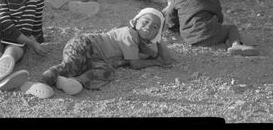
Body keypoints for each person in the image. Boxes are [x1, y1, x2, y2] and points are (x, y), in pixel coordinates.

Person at [36, 7, 174, 95]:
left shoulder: (141, 42)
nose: (149, 27)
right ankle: (42, 82)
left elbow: (167, 60)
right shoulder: (129, 35)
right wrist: (156, 62)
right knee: (71, 66)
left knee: (107, 71)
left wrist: (158, 39)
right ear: (135, 22)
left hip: (97, 58)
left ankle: (73, 82)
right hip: (85, 44)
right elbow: (135, 64)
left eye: (155, 27)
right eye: (145, 22)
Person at [165, 0, 259, 55]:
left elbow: (171, 15)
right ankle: (236, 45)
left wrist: (173, 27)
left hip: (188, 37)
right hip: (210, 34)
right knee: (231, 28)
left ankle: (227, 42)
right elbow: (219, 18)